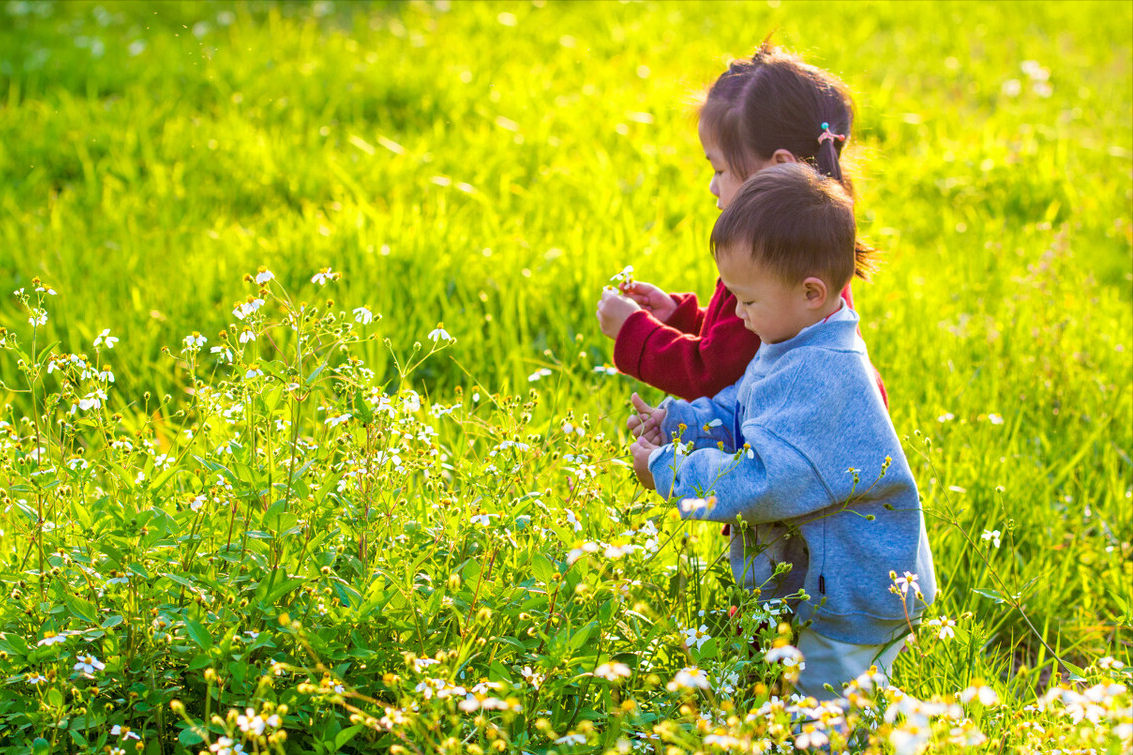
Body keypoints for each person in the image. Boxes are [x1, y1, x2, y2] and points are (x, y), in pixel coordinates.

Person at [628, 164, 936, 700]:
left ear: (811, 292)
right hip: (821, 581)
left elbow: (761, 481)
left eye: (747, 301)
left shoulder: (822, 374)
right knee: (792, 702)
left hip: (849, 599)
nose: (738, 315)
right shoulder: (795, 340)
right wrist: (682, 423)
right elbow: (747, 411)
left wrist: (668, 470)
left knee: (824, 720)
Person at [596, 41, 887, 407]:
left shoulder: (778, 259)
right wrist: (678, 317)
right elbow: (741, 340)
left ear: (781, 165)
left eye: (720, 169)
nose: (712, 185)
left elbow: (711, 374)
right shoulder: (806, 239)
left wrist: (633, 333)